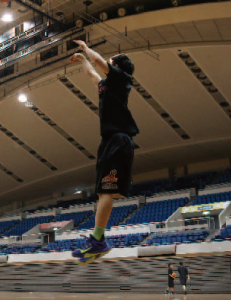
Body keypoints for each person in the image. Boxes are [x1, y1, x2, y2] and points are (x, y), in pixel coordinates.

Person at [68, 40, 138, 265]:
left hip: (119, 139)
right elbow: (93, 74)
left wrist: (85, 48)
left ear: (117, 67)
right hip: (109, 141)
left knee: (106, 191)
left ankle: (98, 241)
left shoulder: (122, 79)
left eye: (111, 63)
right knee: (101, 193)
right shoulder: (107, 86)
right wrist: (82, 60)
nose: (107, 64)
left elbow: (99, 62)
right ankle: (98, 241)